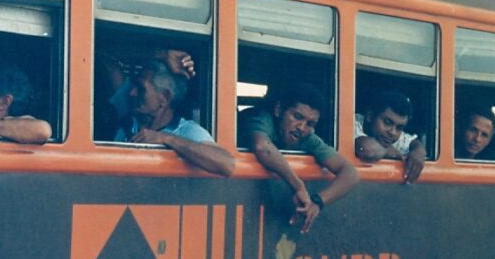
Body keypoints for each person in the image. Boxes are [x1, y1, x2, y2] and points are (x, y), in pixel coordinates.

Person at [238, 82, 359, 233]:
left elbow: (350, 173)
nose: (301, 127)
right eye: (297, 117)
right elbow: (262, 147)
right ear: (278, 110)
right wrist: (299, 186)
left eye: (310, 123)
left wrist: (318, 202)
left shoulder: (307, 137)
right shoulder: (261, 118)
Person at [115, 59, 235, 177]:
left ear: (165, 98)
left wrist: (166, 139)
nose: (132, 93)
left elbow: (226, 164)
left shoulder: (186, 130)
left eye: (141, 89)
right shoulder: (127, 123)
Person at [353, 90, 426, 183]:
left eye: (399, 127)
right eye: (387, 122)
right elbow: (368, 149)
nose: (393, 132)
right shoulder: (353, 123)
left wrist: (418, 151)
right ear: (370, 116)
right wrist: (395, 154)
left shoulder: (389, 134)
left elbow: (413, 142)